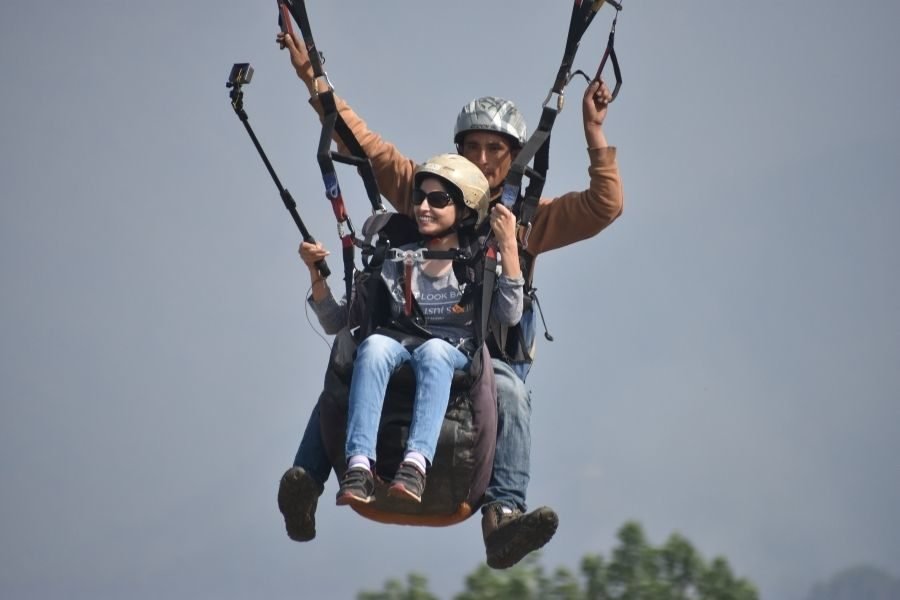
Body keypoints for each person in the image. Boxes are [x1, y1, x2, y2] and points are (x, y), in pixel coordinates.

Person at [275, 30, 624, 569]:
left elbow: (604, 205)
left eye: (495, 150)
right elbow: (361, 144)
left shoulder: (527, 218)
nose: (483, 159)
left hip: (486, 355)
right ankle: (306, 487)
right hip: (411, 337)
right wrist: (310, 75)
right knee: (348, 358)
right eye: (473, 148)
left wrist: (594, 132)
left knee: (509, 390)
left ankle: (502, 519)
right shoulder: (428, 189)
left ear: (511, 159)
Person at [298, 154, 523, 506]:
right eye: (420, 198)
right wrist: (316, 276)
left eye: (438, 200)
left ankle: (416, 465)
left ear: (463, 210)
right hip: (397, 344)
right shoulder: (395, 259)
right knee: (371, 346)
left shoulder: (479, 264)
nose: (424, 207)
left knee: (434, 351)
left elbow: (509, 315)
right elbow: (336, 323)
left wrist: (508, 247)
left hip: (455, 351)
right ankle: (359, 466)